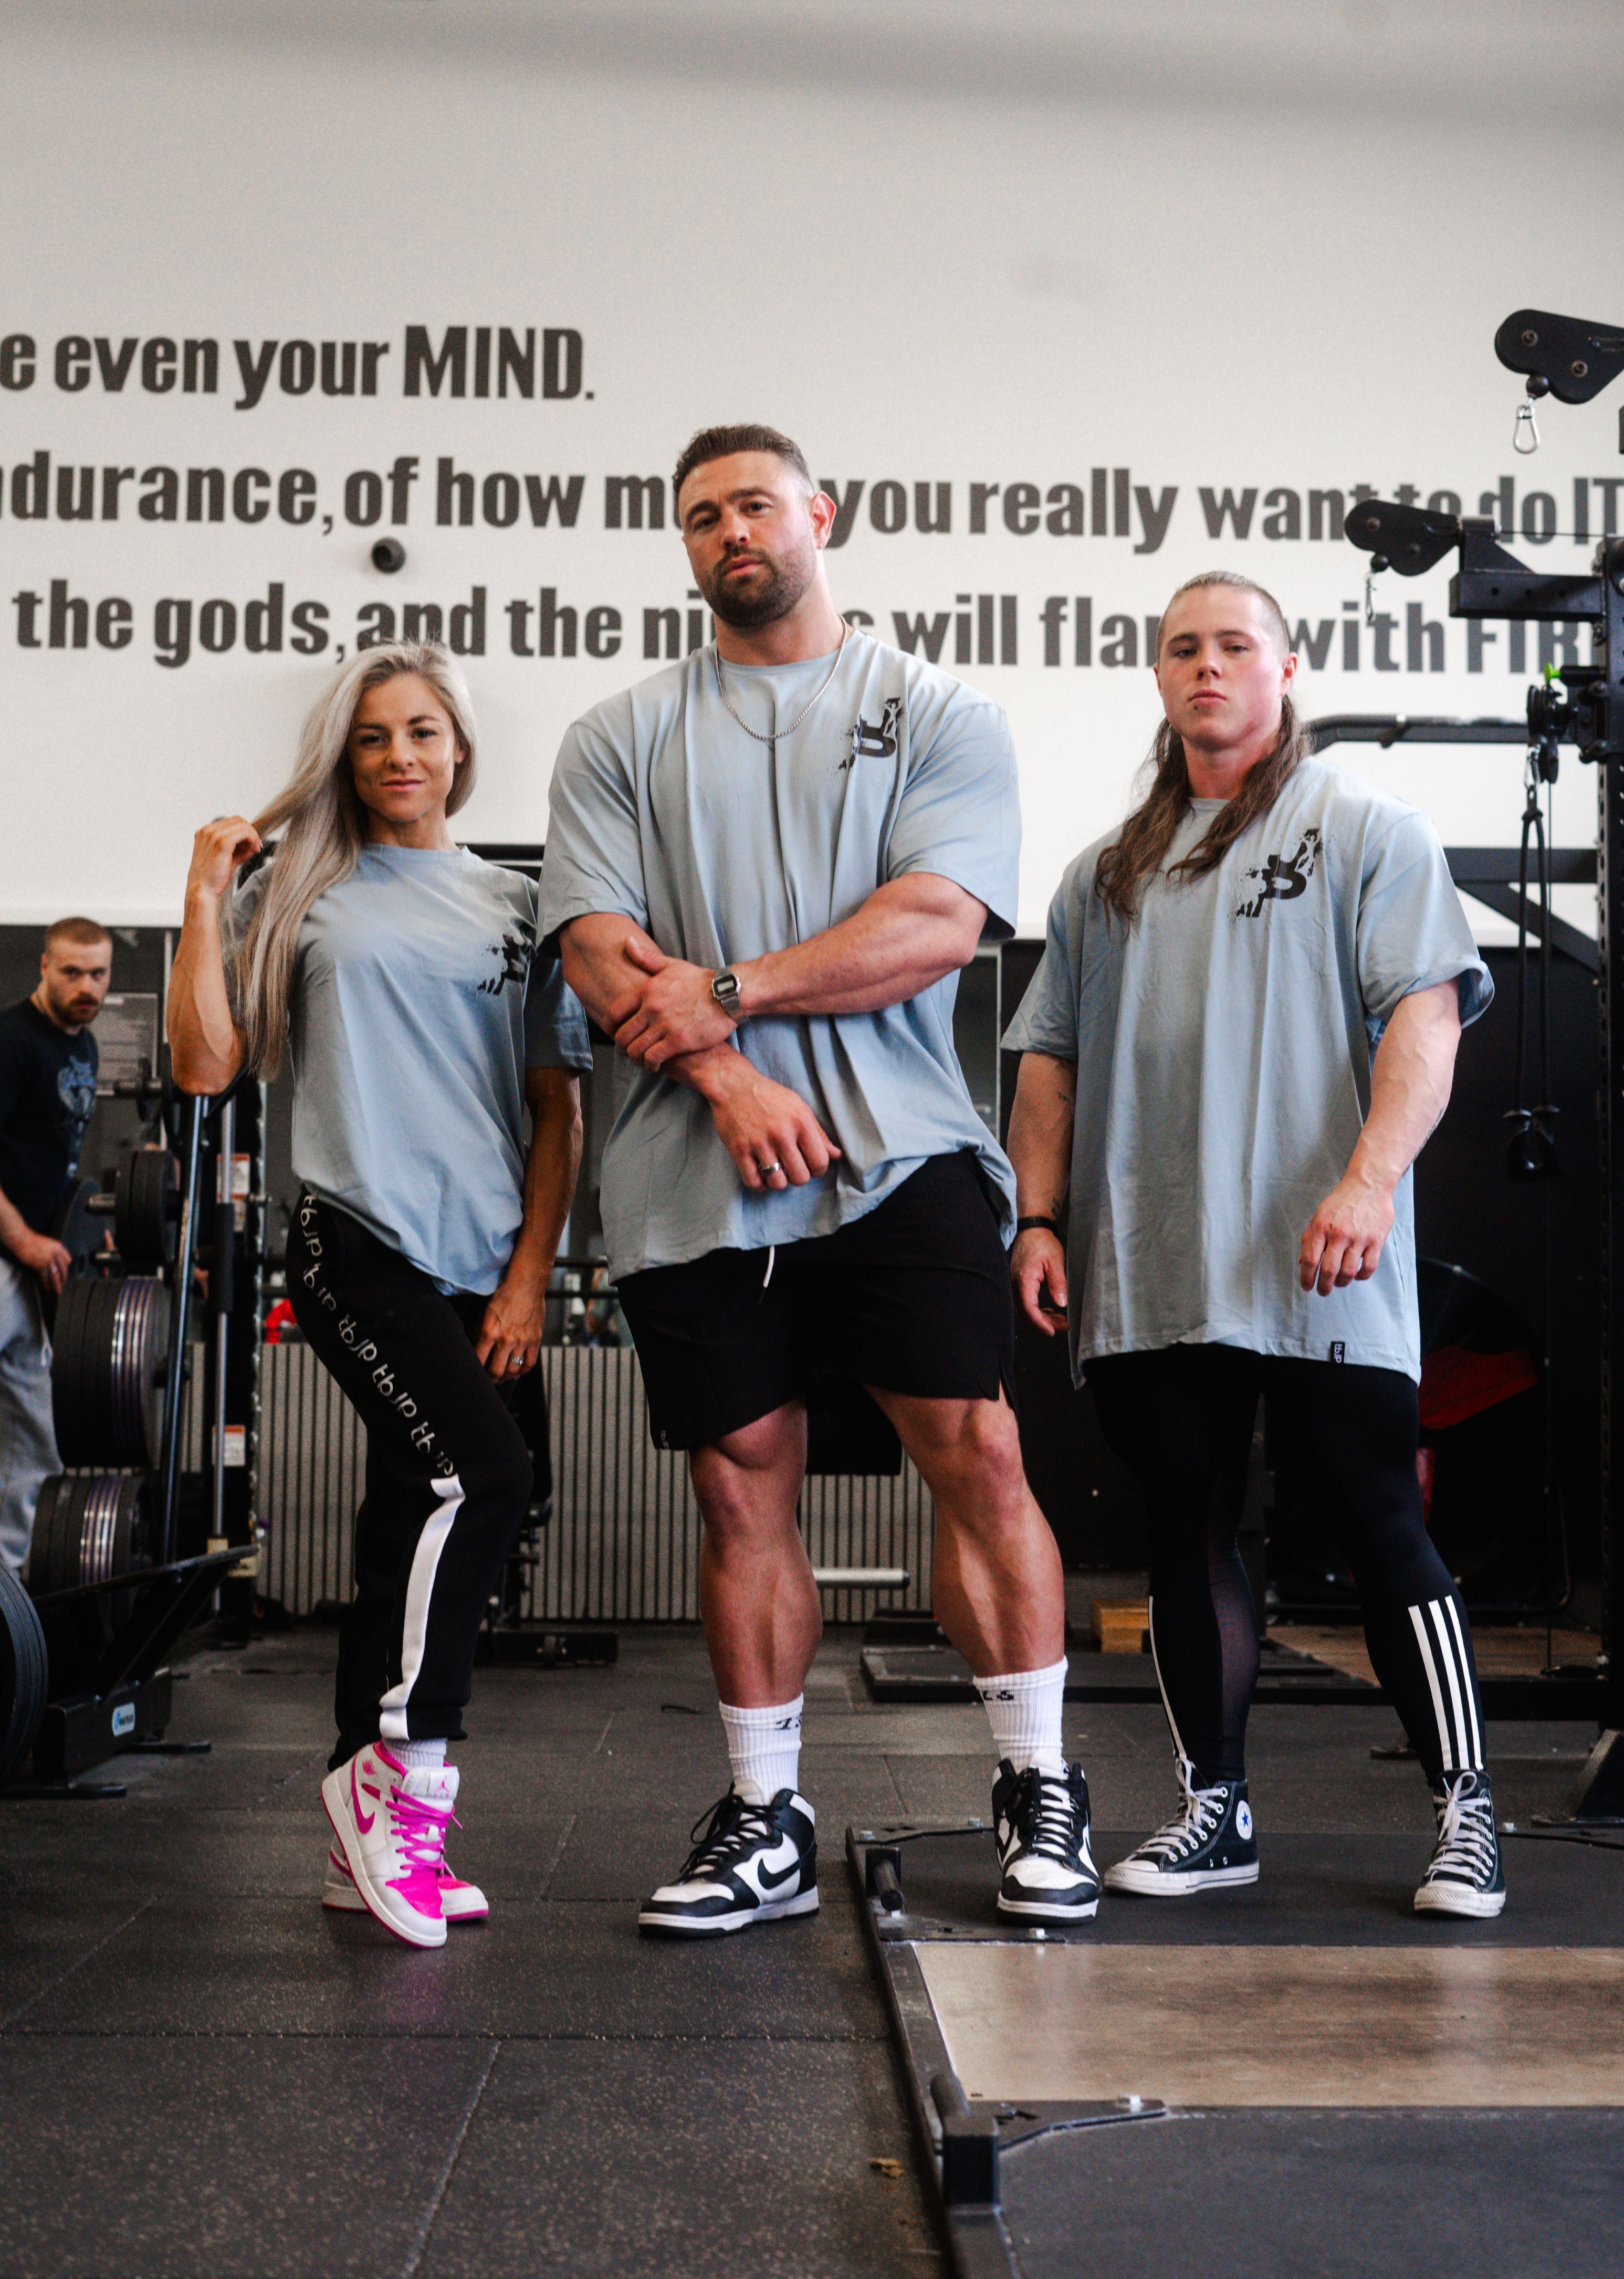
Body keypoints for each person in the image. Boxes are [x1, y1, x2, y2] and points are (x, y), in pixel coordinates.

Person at [541, 423, 1095, 1937]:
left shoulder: (932, 709)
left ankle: (1039, 1781)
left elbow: (930, 921)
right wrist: (724, 1073)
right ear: (683, 542)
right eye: (702, 513)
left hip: (900, 1146)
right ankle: (764, 1810)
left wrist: (720, 992)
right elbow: (596, 948)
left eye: (755, 504)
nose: (731, 530)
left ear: (818, 516)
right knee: (739, 1486)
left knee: (976, 1454)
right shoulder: (617, 733)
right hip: (686, 1165)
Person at [1005, 569, 1505, 1919]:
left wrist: (1364, 1180)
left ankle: (1464, 1808)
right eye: (1181, 648)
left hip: (1316, 1250)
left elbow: (1424, 1016)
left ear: (1285, 667)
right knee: (1183, 1524)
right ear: (1156, 677)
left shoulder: (1359, 822)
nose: (1206, 667)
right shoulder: (1102, 872)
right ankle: (1212, 1806)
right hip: (1153, 1258)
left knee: (1376, 1516)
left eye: (1234, 645)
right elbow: (1043, 1058)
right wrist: (1038, 1215)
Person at [167, 642, 590, 1950]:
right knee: (486, 1475)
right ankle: (404, 1774)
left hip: (480, 1263)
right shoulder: (308, 893)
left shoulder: (516, 906)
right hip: (355, 1240)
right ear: (344, 762)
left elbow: (551, 1109)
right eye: (371, 738)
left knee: (419, 1501)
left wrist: (529, 1275)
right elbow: (202, 1063)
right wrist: (200, 894)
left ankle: (365, 1821)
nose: (400, 754)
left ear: (460, 749)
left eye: (422, 731)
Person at [0, 917, 113, 1574]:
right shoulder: (11, 1040)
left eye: (97, 973)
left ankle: (7, 1596)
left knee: (33, 1438)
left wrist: (75, 1229)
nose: (86, 986)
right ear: (44, 966)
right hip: (8, 1255)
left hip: (39, 1268)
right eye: (72, 971)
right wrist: (24, 1239)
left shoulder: (85, 1047)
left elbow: (59, 1158)